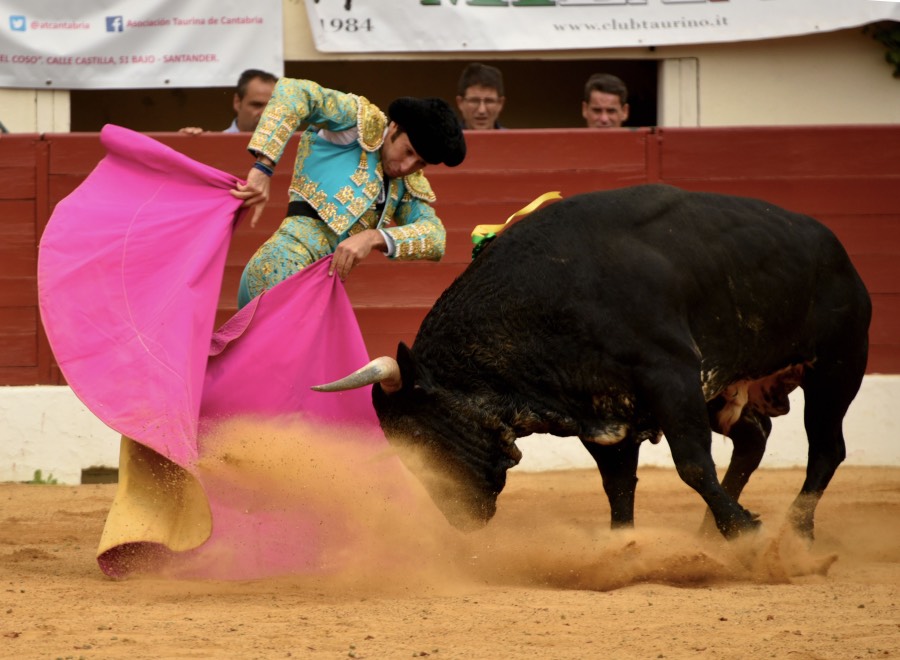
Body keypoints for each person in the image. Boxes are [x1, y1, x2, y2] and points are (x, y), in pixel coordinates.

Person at [230, 77, 466, 307]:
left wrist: (374, 238)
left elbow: (436, 238)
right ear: (394, 127)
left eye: (420, 163)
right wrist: (264, 166)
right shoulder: (356, 126)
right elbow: (295, 91)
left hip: (323, 290)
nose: (406, 167)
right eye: (408, 151)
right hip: (280, 268)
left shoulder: (404, 183)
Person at [180, 69, 278, 135]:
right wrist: (185, 145)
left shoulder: (290, 150)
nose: (265, 113)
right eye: (257, 105)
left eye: (272, 107)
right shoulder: (210, 145)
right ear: (237, 102)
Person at [455, 63, 506, 130]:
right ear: (460, 102)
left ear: (500, 103)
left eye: (489, 101)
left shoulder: (514, 140)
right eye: (474, 101)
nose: (481, 110)